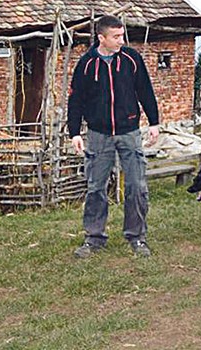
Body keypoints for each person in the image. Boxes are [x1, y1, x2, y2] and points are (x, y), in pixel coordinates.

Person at [67, 15, 160, 258]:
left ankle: (137, 237)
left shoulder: (131, 59)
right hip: (99, 135)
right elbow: (76, 99)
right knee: (96, 187)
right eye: (116, 37)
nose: (121, 40)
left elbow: (145, 90)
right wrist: (74, 132)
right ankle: (94, 238)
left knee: (137, 186)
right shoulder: (87, 64)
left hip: (129, 131)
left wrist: (154, 122)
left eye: (122, 35)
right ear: (102, 38)